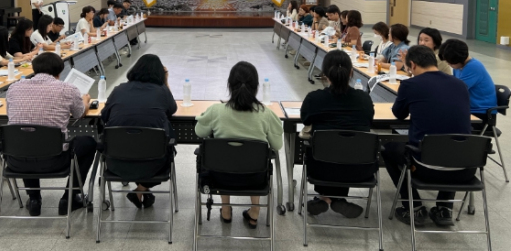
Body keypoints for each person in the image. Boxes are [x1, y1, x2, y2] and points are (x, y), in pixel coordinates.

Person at [382, 46, 474, 227]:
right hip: (466, 169)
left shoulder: (410, 85)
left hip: (426, 168)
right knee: (452, 144)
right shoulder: (460, 85)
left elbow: (398, 114)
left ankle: (414, 206)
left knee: (388, 149)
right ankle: (444, 208)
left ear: (413, 65)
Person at [6, 52, 96, 217]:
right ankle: (69, 197)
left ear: (34, 69)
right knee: (88, 143)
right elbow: (79, 114)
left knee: (27, 138)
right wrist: (86, 101)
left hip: (16, 161)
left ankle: (34, 199)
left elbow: (9, 114)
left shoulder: (14, 88)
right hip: (55, 161)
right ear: (59, 72)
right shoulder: (67, 89)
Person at [195, 61, 283, 228]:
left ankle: (225, 209)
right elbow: (277, 145)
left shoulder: (216, 111)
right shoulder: (266, 114)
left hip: (220, 178)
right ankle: (255, 211)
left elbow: (199, 132)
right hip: (255, 179)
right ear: (256, 87)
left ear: (230, 85)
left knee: (223, 159)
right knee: (255, 160)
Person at [300, 50, 375, 218]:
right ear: (351, 72)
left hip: (321, 168)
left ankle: (326, 198)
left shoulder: (314, 99)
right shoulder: (364, 99)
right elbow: (369, 121)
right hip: (359, 169)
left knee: (328, 149)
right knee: (346, 148)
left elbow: (305, 120)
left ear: (325, 73)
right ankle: (336, 199)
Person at [101, 54, 177, 208]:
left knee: (137, 146)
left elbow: (104, 116)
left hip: (116, 162)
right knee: (165, 147)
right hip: (155, 163)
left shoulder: (119, 90)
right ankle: (141, 190)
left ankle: (141, 191)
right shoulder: (161, 91)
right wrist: (165, 81)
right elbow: (172, 109)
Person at [438, 39, 497, 121]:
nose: (448, 64)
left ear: (458, 59)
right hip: (468, 108)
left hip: (481, 113)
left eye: (450, 62)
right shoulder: (458, 67)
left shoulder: (473, 67)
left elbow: (456, 90)